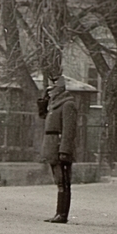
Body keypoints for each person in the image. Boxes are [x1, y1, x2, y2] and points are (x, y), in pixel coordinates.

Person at [42, 75, 81, 224]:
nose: (49, 91)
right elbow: (43, 116)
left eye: (52, 89)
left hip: (59, 147)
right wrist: (43, 100)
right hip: (53, 146)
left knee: (63, 181)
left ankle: (62, 214)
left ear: (59, 89)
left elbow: (69, 130)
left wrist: (65, 150)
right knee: (59, 181)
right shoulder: (54, 105)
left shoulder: (67, 105)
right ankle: (59, 213)